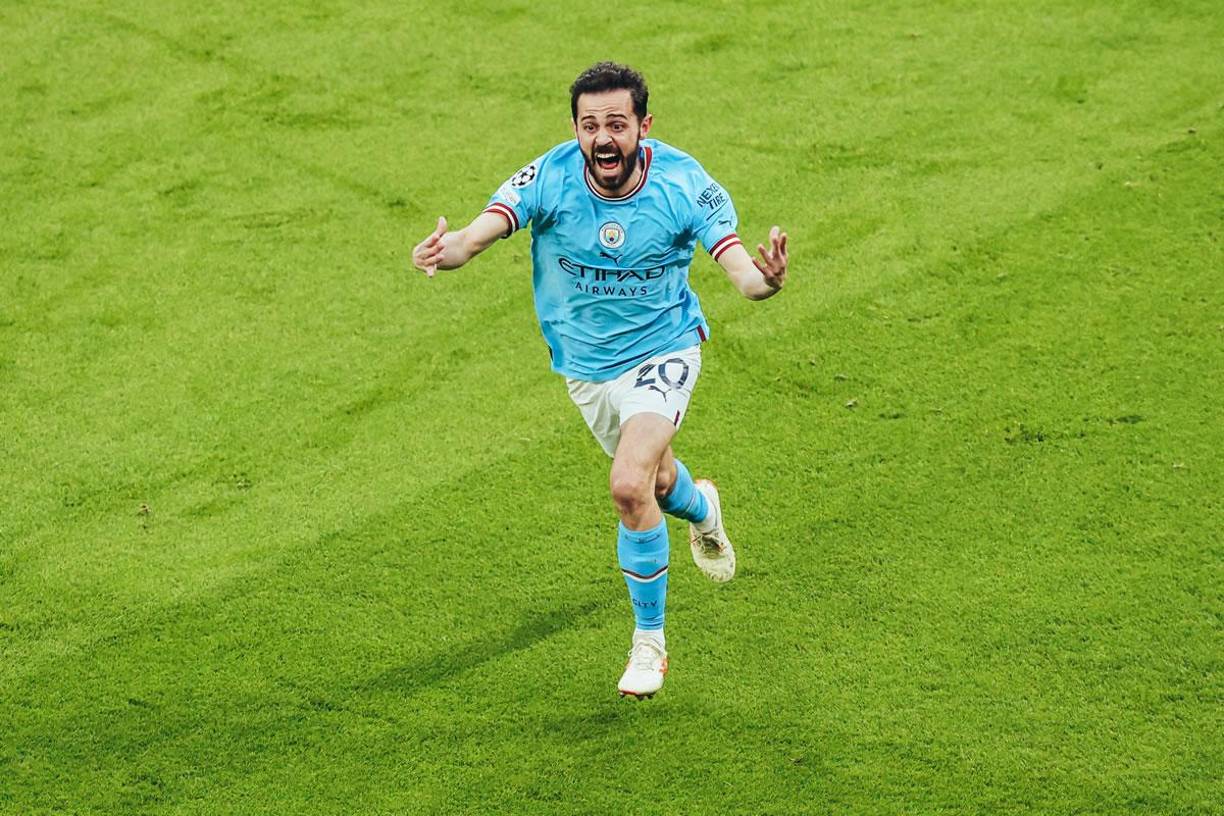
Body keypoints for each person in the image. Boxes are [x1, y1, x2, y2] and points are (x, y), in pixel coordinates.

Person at [411, 61, 788, 699]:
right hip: (585, 368)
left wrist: (768, 280)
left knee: (627, 484)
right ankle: (702, 510)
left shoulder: (683, 185)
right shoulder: (549, 176)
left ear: (644, 125)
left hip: (664, 351)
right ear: (575, 130)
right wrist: (438, 253)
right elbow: (471, 240)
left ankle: (650, 644)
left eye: (617, 124)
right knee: (657, 484)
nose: (603, 138)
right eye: (590, 126)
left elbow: (743, 276)